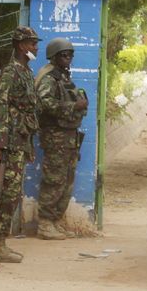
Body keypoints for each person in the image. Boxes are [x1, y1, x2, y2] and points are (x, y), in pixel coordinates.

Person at [0, 26, 41, 263]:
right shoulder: (11, 72)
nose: (35, 48)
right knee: (5, 193)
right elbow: (0, 106)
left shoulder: (26, 72)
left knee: (12, 192)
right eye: (31, 43)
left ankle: (0, 243)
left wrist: (27, 145)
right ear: (21, 46)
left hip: (19, 140)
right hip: (8, 142)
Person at [34, 38, 88, 240]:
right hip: (55, 135)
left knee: (67, 180)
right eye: (64, 55)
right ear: (54, 56)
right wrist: (73, 107)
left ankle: (55, 221)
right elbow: (44, 104)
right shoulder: (48, 77)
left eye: (70, 55)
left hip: (68, 135)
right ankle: (45, 224)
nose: (69, 58)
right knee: (54, 180)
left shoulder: (63, 76)